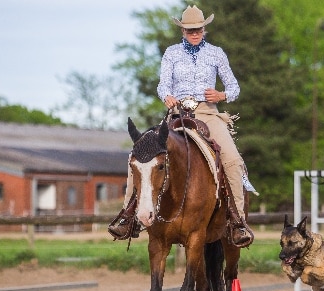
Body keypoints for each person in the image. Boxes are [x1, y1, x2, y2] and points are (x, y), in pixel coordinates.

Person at [108, 5, 255, 247]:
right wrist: (166, 96)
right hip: (176, 114)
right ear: (182, 31)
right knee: (141, 155)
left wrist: (220, 95)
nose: (194, 33)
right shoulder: (172, 53)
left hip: (207, 113)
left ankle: (237, 220)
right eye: (189, 30)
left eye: (197, 29)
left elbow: (234, 87)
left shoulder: (217, 53)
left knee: (232, 158)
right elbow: (163, 84)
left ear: (204, 29)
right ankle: (128, 214)